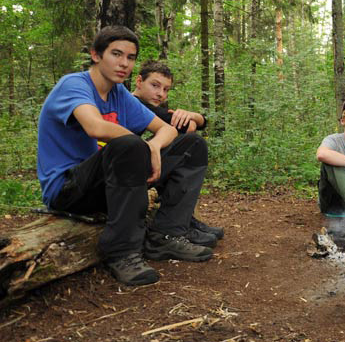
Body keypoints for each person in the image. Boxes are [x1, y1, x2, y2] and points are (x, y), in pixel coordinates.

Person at [37, 26, 212, 286]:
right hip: (68, 188)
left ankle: (165, 235)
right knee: (128, 144)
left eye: (130, 58)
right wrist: (141, 147)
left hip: (107, 184)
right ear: (96, 55)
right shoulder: (73, 85)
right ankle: (121, 252)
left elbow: (166, 129)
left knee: (192, 144)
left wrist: (153, 148)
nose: (124, 63)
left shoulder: (119, 93)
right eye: (116, 54)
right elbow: (95, 127)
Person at [132, 61, 223, 245]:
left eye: (166, 89)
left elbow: (197, 123)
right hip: (119, 173)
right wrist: (191, 117)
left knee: (183, 146)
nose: (161, 94)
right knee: (191, 145)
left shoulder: (150, 107)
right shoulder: (133, 103)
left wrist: (191, 115)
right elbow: (190, 127)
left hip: (129, 168)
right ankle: (170, 228)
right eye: (155, 85)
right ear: (139, 82)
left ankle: (181, 220)